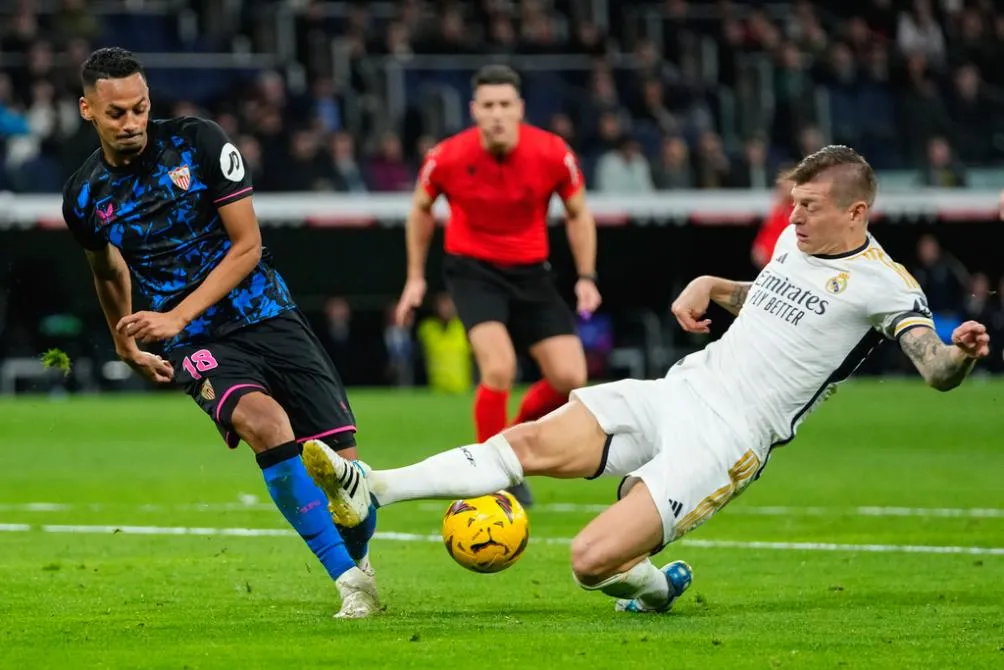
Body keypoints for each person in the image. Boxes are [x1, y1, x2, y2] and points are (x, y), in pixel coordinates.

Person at [306, 145, 990, 613]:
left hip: (729, 438)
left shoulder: (884, 284)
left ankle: (655, 588)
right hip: (679, 388)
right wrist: (712, 284)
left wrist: (959, 353)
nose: (794, 217)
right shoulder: (793, 242)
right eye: (794, 202)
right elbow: (771, 295)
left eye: (809, 205)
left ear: (857, 213)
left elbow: (933, 367)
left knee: (588, 560)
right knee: (529, 442)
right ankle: (374, 488)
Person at [61, 47, 379, 619]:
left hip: (265, 312)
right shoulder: (85, 196)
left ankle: (356, 555)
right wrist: (123, 341)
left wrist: (175, 315)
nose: (130, 122)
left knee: (347, 478)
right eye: (116, 114)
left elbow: (247, 246)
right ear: (88, 110)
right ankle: (350, 586)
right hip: (194, 341)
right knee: (264, 424)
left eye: (139, 109)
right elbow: (107, 271)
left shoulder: (199, 143)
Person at [388, 64, 602, 507]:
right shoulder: (446, 156)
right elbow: (420, 210)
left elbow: (579, 213)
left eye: (506, 105)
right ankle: (491, 477)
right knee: (499, 368)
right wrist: (414, 278)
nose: (498, 114)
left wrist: (586, 276)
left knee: (569, 376)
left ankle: (506, 444)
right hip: (473, 272)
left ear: (520, 108)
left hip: (532, 272)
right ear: (474, 111)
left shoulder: (552, 153)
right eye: (488, 106)